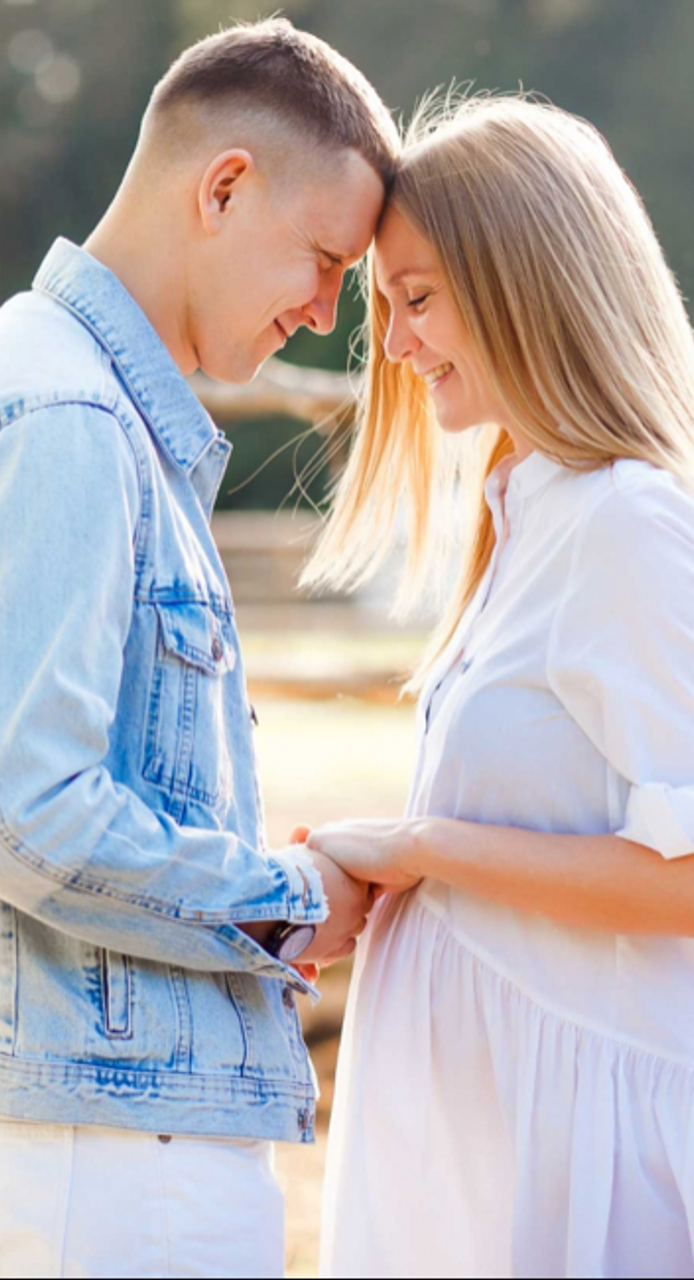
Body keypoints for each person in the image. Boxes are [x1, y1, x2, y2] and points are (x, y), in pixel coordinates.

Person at [0, 18, 397, 1279]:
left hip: (85, 1116)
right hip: (100, 1134)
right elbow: (29, 814)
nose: (319, 311)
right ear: (223, 185)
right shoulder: (65, 418)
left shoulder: (58, 393)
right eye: (320, 261)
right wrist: (288, 898)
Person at [301, 96, 694, 1278]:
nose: (394, 343)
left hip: (589, 1168)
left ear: (528, 280)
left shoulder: (626, 522)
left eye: (416, 298)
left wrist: (421, 843)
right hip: (498, 1150)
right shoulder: (525, 514)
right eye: (386, 307)